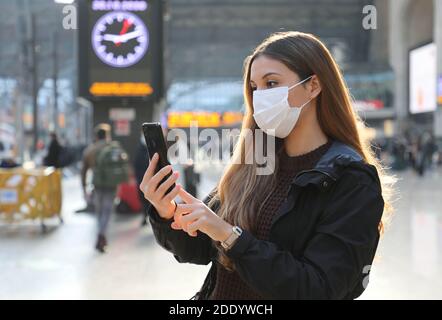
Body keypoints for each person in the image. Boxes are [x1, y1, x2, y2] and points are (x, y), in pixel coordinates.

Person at [140, 31, 394, 299]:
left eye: (271, 83)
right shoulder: (253, 162)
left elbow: (320, 288)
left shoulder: (350, 179)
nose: (260, 96)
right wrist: (167, 213)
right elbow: (201, 249)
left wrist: (231, 236)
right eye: (254, 87)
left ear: (313, 85)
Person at [81, 124, 129, 253]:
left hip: (97, 184)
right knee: (107, 211)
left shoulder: (90, 150)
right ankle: (102, 235)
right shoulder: (113, 147)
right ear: (107, 135)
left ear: (96, 136)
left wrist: (84, 188)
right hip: (112, 185)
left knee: (99, 211)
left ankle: (101, 234)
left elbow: (84, 171)